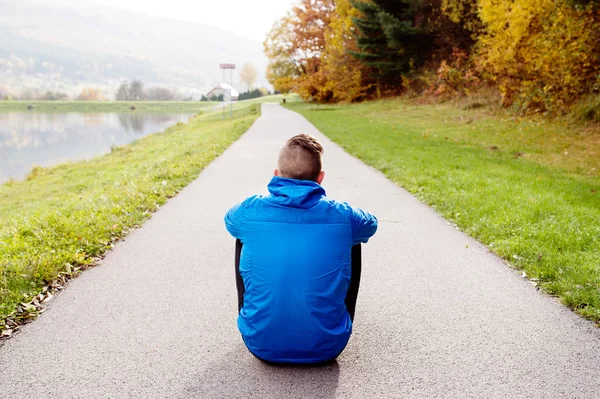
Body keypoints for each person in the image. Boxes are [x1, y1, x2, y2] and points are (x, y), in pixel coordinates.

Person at [224, 133, 378, 364]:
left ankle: (257, 317)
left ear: (276, 174)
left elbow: (229, 221)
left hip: (260, 344)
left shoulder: (250, 209)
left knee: (243, 236)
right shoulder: (343, 215)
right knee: (352, 238)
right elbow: (371, 224)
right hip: (328, 347)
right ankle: (332, 320)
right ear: (320, 178)